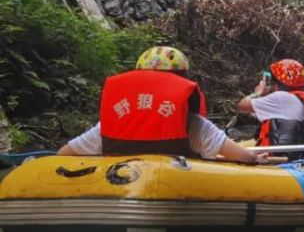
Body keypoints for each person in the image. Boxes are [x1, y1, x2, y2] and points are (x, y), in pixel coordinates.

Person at [57, 46, 263, 163]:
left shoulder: (109, 126)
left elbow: (64, 154)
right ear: (182, 80)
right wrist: (256, 160)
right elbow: (243, 157)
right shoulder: (192, 125)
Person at [237, 59, 304, 161]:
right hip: (301, 158)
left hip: (279, 162)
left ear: (276, 82)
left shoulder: (279, 97)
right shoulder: (299, 99)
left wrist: (259, 93)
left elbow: (241, 105)